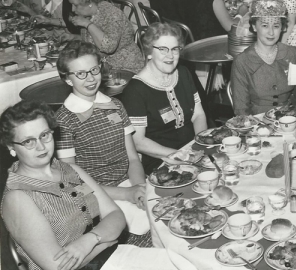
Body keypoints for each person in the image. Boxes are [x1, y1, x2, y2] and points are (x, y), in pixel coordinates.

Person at [0, 100, 126, 270]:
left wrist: (90, 240)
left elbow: (116, 215)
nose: (41, 146)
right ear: (11, 146)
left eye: (44, 135)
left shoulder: (71, 170)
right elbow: (58, 266)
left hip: (108, 257)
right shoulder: (18, 198)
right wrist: (105, 242)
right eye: (28, 141)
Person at [55, 41, 150, 242]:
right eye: (80, 74)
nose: (90, 78)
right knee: (144, 233)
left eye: (94, 70)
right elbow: (72, 182)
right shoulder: (64, 120)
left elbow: (132, 158)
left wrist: (140, 188)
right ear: (67, 79)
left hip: (130, 183)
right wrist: (126, 194)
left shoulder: (115, 105)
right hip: (97, 195)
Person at [121, 23, 208, 174]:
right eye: (163, 49)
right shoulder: (135, 90)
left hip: (192, 150)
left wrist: (201, 145)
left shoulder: (183, 73)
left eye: (175, 49)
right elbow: (138, 142)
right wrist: (179, 156)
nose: (170, 55)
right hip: (160, 159)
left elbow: (198, 115)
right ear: (149, 52)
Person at [231, 0, 296, 115]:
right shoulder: (242, 61)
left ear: (282, 28)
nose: (271, 33)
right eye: (265, 25)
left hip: (290, 120)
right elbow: (241, 109)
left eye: (276, 26)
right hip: (257, 123)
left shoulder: (291, 53)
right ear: (254, 27)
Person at [64, 0, 145, 73]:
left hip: (125, 69)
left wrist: (87, 24)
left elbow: (108, 47)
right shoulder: (89, 15)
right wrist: (73, 37)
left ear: (88, 2)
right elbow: (93, 41)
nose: (73, 9)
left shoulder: (111, 14)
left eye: (75, 5)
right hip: (105, 68)